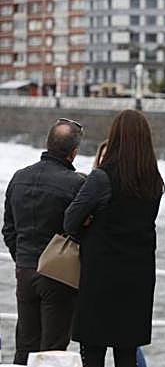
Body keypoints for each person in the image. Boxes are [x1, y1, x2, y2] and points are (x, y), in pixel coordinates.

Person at [64, 109, 163, 367]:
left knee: (93, 350)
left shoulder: (102, 177)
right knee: (127, 352)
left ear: (115, 136)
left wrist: (91, 224)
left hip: (101, 275)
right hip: (138, 277)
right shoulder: (154, 180)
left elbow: (70, 220)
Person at [2, 118, 84, 365]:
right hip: (59, 275)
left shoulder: (19, 177)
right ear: (73, 152)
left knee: (25, 345)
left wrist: (24, 259)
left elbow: (9, 229)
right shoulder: (77, 184)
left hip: (25, 271)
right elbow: (83, 231)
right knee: (54, 349)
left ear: (48, 145)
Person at [92, 139, 149, 367]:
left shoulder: (134, 187)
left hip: (120, 277)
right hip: (98, 276)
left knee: (126, 344)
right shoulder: (92, 184)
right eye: (103, 157)